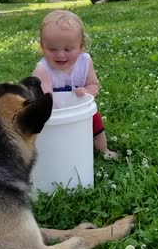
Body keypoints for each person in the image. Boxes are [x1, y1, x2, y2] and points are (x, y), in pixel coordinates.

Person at [32, 10, 119, 160]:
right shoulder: (42, 69)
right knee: (54, 138)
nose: (60, 55)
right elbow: (43, 95)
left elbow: (93, 84)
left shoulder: (85, 62)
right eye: (52, 49)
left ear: (81, 46)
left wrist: (86, 92)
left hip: (80, 109)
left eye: (68, 49)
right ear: (42, 47)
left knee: (96, 125)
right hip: (55, 114)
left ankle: (103, 150)